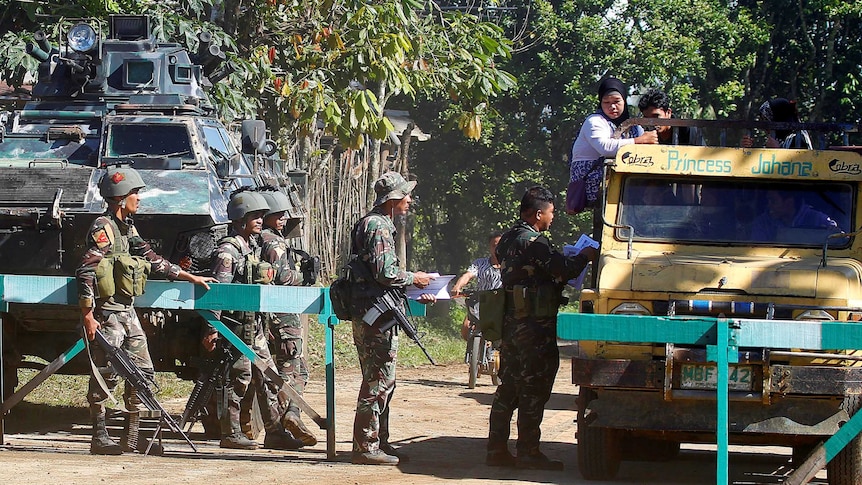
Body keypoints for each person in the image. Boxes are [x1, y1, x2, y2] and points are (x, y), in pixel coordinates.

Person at [77, 166, 216, 455]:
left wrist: (189, 276)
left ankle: (136, 436)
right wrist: (88, 315)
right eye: (134, 194)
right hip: (106, 314)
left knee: (142, 372)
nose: (138, 199)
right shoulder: (103, 228)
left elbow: (152, 260)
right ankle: (100, 436)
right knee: (107, 373)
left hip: (127, 313)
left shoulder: (128, 228)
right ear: (119, 197)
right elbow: (86, 271)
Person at [486, 185, 598, 470]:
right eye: (550, 212)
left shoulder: (508, 238)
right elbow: (563, 269)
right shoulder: (534, 241)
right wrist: (585, 256)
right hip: (534, 326)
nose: (553, 217)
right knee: (534, 385)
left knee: (509, 384)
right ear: (538, 213)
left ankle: (496, 448)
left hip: (511, 323)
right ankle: (528, 451)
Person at [201, 189, 305, 451]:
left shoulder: (253, 248)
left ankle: (275, 431)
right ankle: (231, 432)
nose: (260, 220)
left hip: (254, 326)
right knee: (238, 378)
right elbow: (216, 293)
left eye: (261, 215)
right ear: (239, 219)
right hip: (234, 327)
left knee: (268, 377)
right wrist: (212, 327)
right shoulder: (228, 251)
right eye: (254, 216)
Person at [347, 171, 437, 466]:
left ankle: (378, 440)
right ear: (393, 200)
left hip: (374, 312)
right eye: (405, 195)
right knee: (378, 380)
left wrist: (413, 288)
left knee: (382, 380)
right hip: (375, 316)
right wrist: (415, 278)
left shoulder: (377, 223)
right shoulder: (378, 226)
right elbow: (385, 274)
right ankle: (366, 445)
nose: (409, 200)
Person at [257, 187, 317, 446]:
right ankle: (291, 414)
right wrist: (305, 277)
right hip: (282, 312)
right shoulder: (275, 242)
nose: (283, 218)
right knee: (294, 368)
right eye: (277, 213)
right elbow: (282, 277)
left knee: (271, 371)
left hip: (265, 313)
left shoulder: (256, 238)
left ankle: (279, 425)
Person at [570, 77, 658, 238]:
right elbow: (605, 148)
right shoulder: (594, 121)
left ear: (625, 100)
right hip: (594, 180)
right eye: (606, 102)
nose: (612, 107)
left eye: (617, 101)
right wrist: (639, 141)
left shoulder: (632, 125)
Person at [450, 231, 503, 340]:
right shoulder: (480, 263)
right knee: (465, 327)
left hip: (501, 304)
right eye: (494, 245)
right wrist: (457, 286)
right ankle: (473, 350)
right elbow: (468, 275)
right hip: (481, 303)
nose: (497, 249)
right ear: (489, 247)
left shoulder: (510, 265)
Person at [750, 189, 838, 241]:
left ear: (789, 202)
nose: (769, 205)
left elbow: (838, 238)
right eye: (768, 201)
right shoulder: (762, 223)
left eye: (773, 201)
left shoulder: (818, 219)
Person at [637, 88, 704, 145]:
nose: (652, 122)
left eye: (656, 116)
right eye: (647, 119)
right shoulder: (641, 133)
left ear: (668, 113)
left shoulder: (687, 130)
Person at [741, 98, 813, 149]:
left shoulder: (798, 137)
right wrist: (747, 149)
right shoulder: (778, 139)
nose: (764, 127)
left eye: (768, 120)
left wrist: (777, 152)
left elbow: (800, 164)